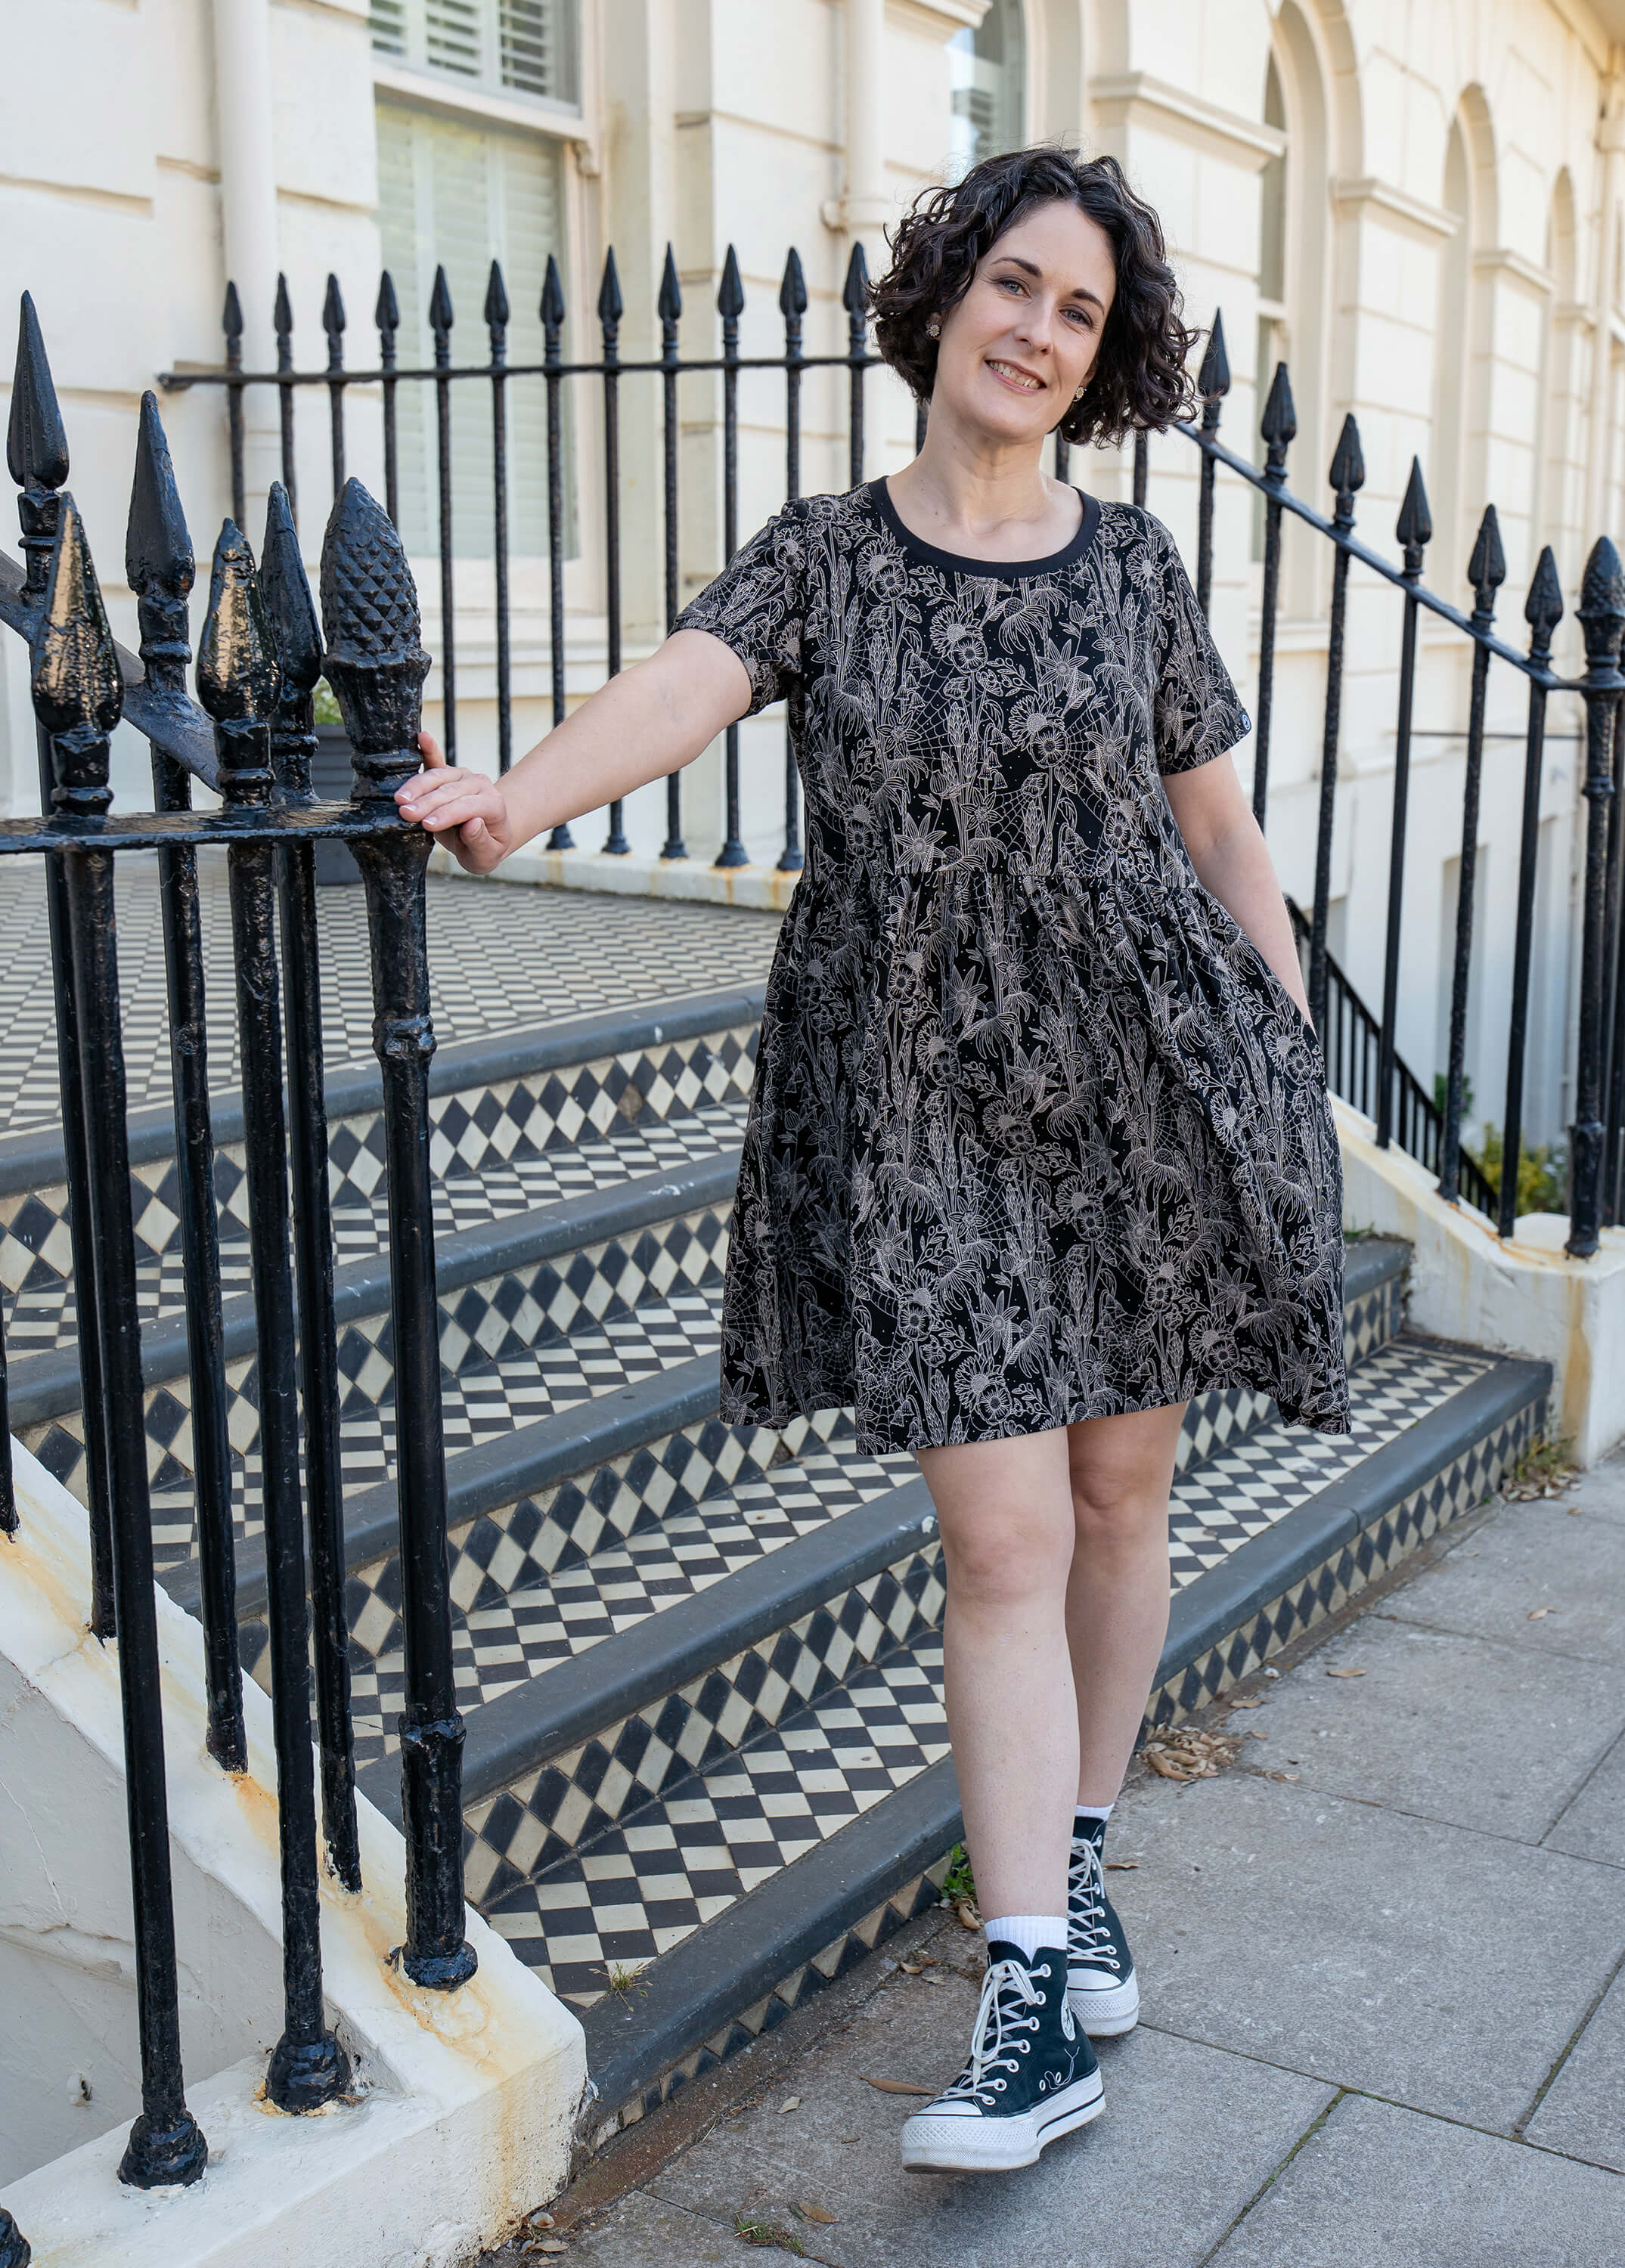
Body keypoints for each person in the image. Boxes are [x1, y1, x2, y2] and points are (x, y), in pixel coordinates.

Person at [398, 146, 1348, 2177]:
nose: (1032, 329)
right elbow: (685, 681)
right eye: (1012, 283)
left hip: (1142, 1082)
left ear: (1107, 360)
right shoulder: (825, 555)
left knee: (1117, 1490)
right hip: (916, 1091)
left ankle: (1075, 1862)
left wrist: (1286, 1068)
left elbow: (1220, 832)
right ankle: (1026, 1995)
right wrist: (522, 794)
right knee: (996, 1537)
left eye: (1078, 312)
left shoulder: (1134, 573)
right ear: (944, 297)